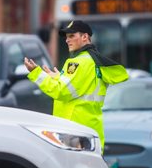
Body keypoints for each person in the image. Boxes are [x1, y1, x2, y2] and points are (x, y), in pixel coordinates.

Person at [24, 20, 128, 151]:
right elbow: (78, 87)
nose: (67, 40)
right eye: (67, 37)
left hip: (73, 130)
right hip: (88, 128)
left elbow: (61, 91)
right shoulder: (93, 60)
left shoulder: (78, 63)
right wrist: (58, 77)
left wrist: (36, 73)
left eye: (72, 36)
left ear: (85, 37)